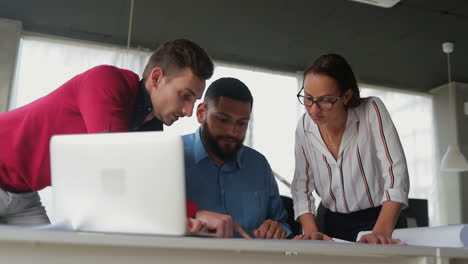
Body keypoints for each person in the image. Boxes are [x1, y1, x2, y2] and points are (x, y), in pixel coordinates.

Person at [0, 39, 240, 237]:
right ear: (156, 78)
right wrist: (190, 214)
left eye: (194, 101)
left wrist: (190, 216)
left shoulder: (151, 131)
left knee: (48, 256)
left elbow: (148, 187)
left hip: (24, 195)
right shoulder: (106, 81)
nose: (188, 111)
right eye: (184, 96)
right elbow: (111, 165)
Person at [291, 54, 409, 244]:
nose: (313, 109)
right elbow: (301, 187)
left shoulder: (371, 110)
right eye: (308, 98)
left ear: (346, 96)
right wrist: (311, 232)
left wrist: (381, 232)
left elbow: (396, 172)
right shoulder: (304, 127)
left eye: (325, 101)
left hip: (379, 219)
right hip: (330, 221)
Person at [184, 77, 292, 239]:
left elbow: (281, 223)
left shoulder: (258, 165)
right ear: (201, 113)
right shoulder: (174, 156)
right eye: (223, 120)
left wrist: (277, 228)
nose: (232, 131)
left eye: (241, 123)